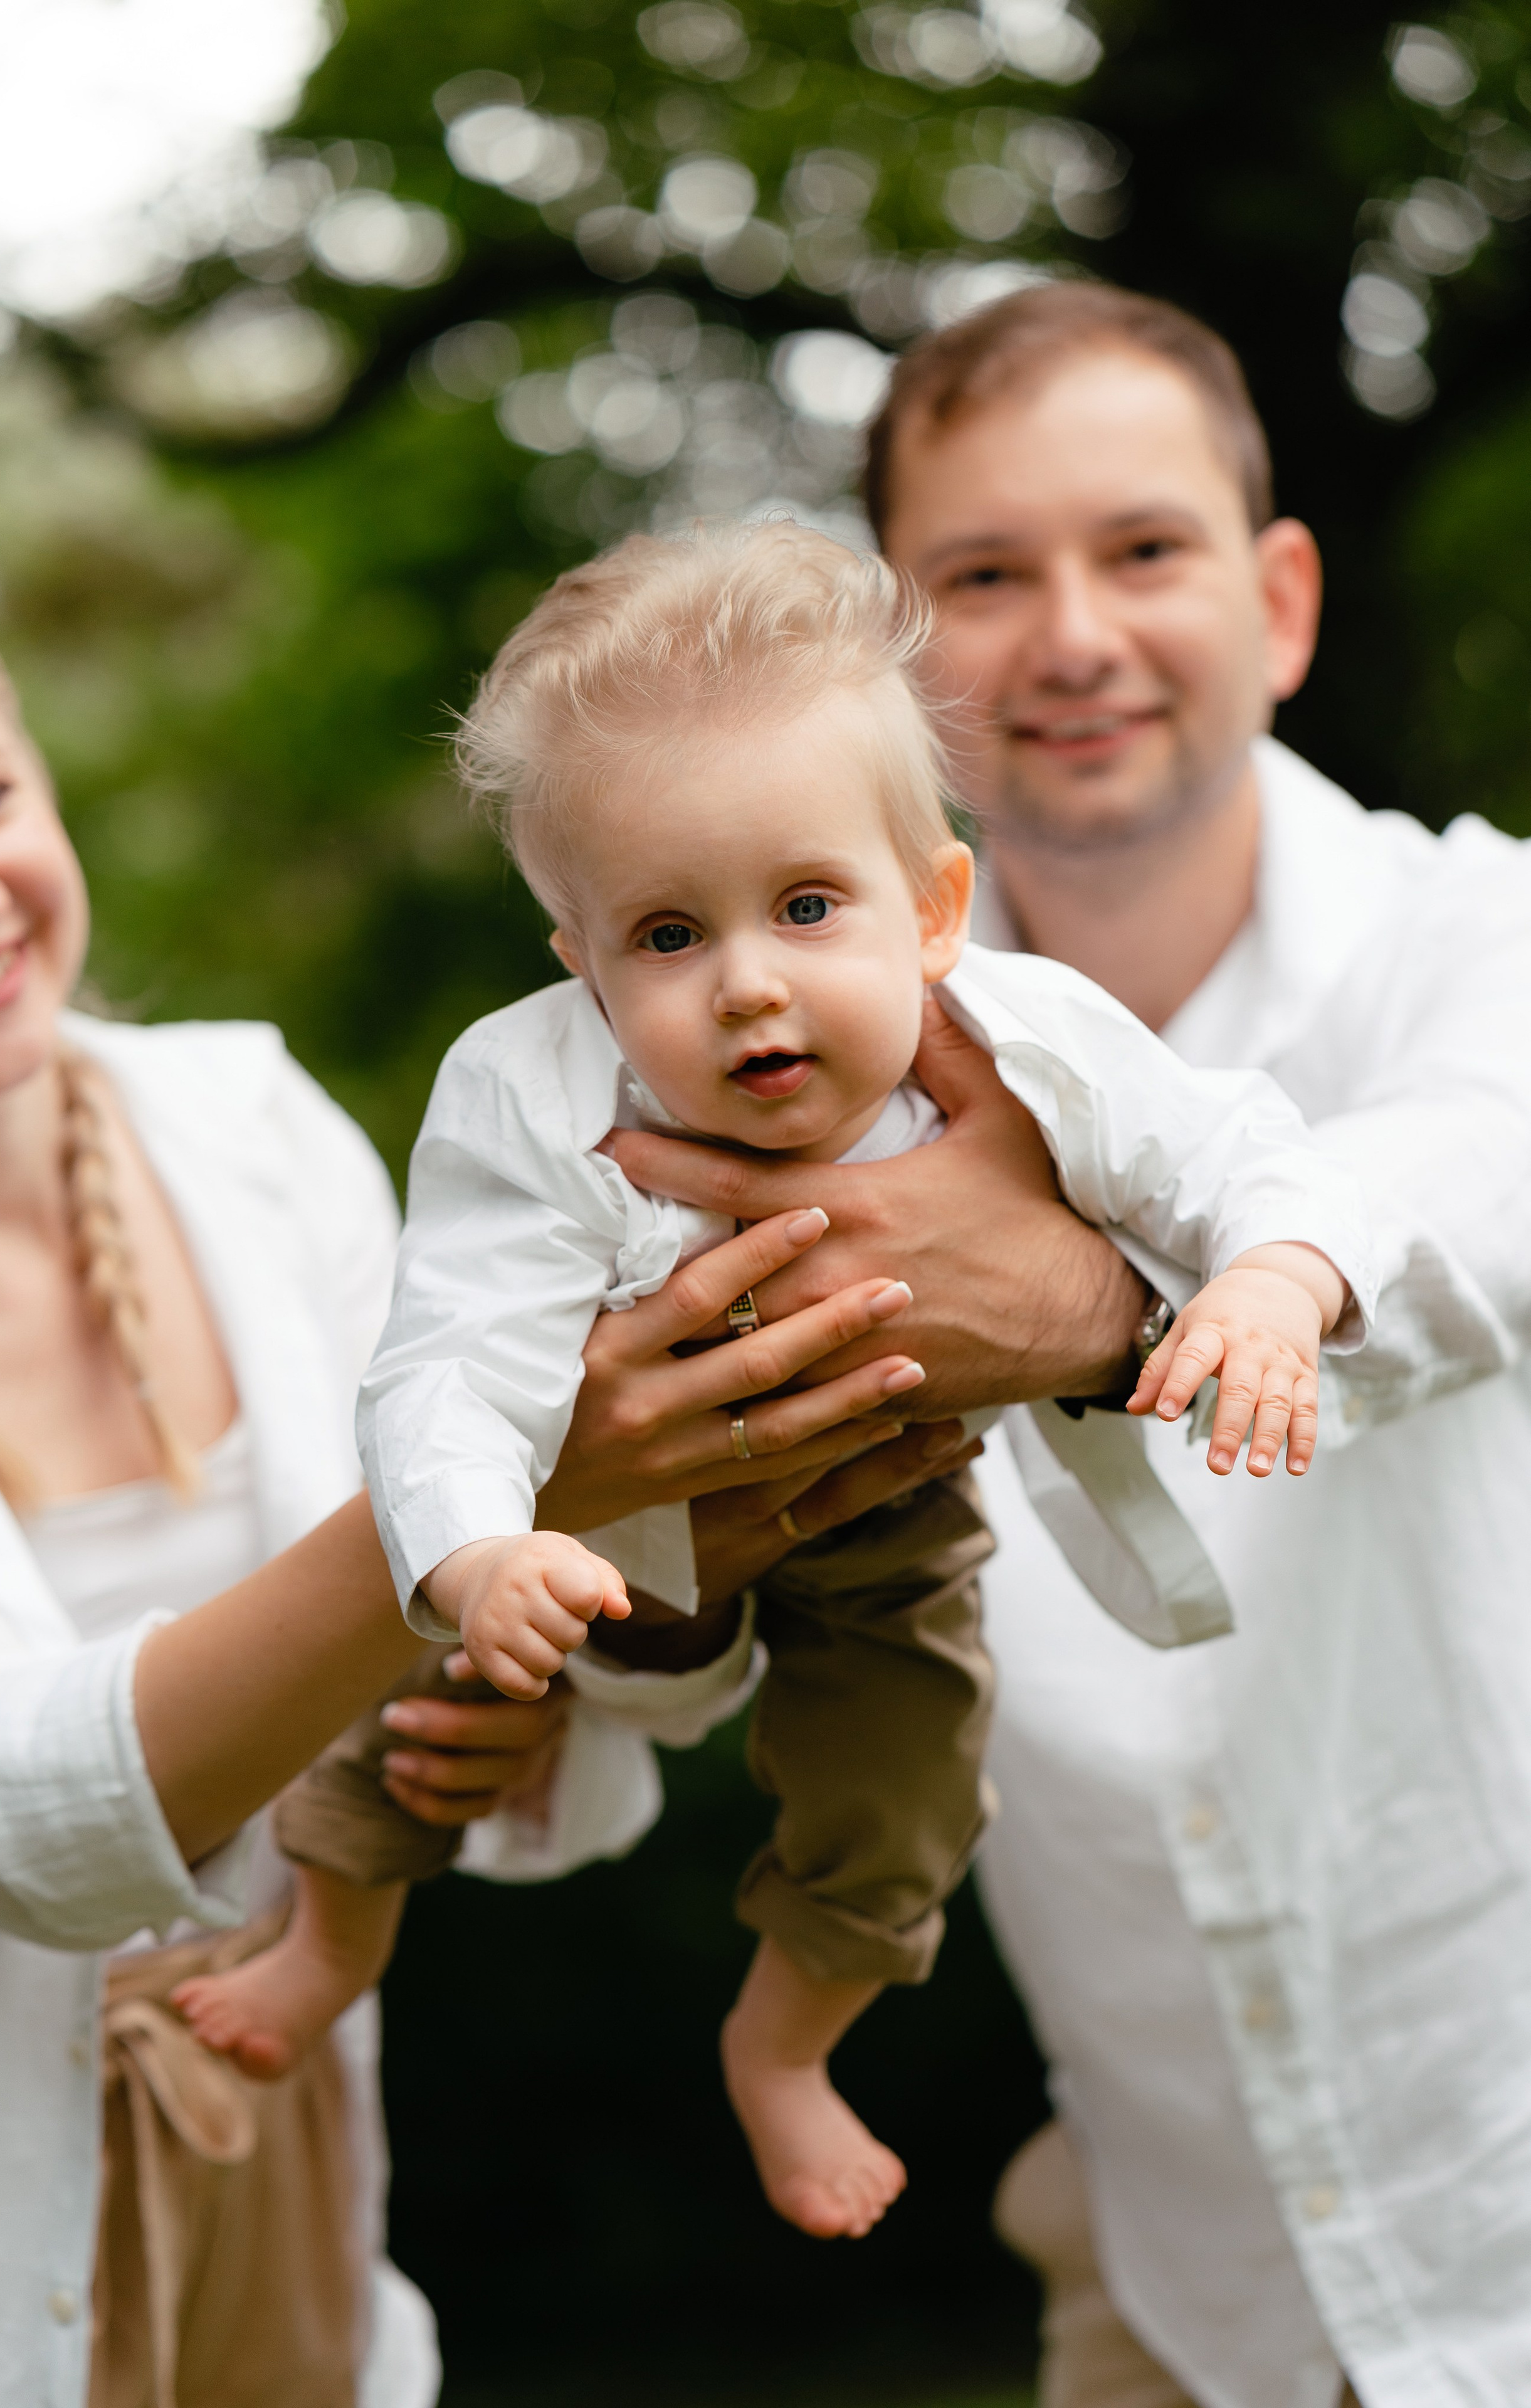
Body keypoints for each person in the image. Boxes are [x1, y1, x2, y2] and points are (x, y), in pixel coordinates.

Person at [176, 518, 1372, 2249]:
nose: (749, 983)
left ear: (935, 903)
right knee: (418, 1713)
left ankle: (787, 2043)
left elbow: (1252, 1156)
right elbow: (447, 1355)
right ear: (576, 957)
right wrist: (476, 1554)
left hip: (877, 1508)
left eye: (810, 906)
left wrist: (1268, 1281)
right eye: (665, 936)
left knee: (911, 1779)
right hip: (593, 1525)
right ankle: (326, 1949)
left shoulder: (1026, 1039)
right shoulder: (529, 1098)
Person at [596, 284, 1531, 2406]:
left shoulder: (1483, 940)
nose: (1075, 634)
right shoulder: (751, 1059)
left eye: (1145, 551)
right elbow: (673, 1649)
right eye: (986, 579)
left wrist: (1109, 1319)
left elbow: (1480, 1187)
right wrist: (626, 1565)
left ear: (1281, 601)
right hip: (1175, 2262)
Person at [0, 558, 920, 2408]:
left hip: (295, 2162)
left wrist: (517, 1722)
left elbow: (600, 1701)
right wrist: (473, 1534)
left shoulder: (245, 1129)